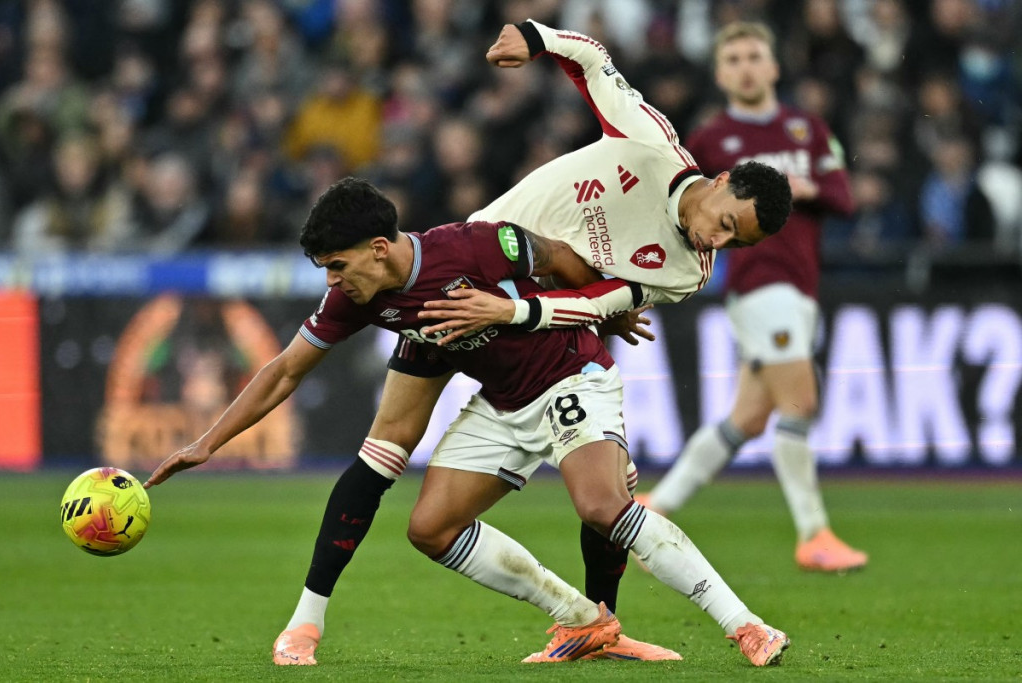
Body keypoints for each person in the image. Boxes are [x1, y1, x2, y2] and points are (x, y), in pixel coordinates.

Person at [263, 20, 792, 665]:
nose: (720, 241)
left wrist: (513, 309)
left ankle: (732, 625)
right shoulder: (652, 143)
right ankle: (583, 617)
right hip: (470, 272)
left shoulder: (686, 271)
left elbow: (595, 302)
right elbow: (594, 60)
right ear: (722, 180)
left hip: (529, 325)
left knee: (601, 501)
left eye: (737, 242)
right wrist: (532, 37)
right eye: (727, 223)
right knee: (401, 479)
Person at [145, 177, 790, 667]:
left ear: (377, 250)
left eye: (338, 266)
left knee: (600, 506)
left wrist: (609, 311)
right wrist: (206, 443)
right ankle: (580, 617)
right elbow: (285, 370)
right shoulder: (357, 297)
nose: (334, 282)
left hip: (571, 375)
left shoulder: (478, 245)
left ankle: (746, 625)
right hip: (502, 405)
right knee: (429, 528)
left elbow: (560, 258)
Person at [638, 21, 864, 573]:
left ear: (773, 66)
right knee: (800, 403)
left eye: (753, 56)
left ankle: (655, 506)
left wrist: (803, 189)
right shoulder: (713, 140)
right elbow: (682, 206)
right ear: (720, 73)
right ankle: (813, 534)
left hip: (800, 283)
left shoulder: (805, 128)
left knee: (748, 418)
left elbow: (843, 195)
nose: (744, 66)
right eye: (733, 58)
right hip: (760, 285)